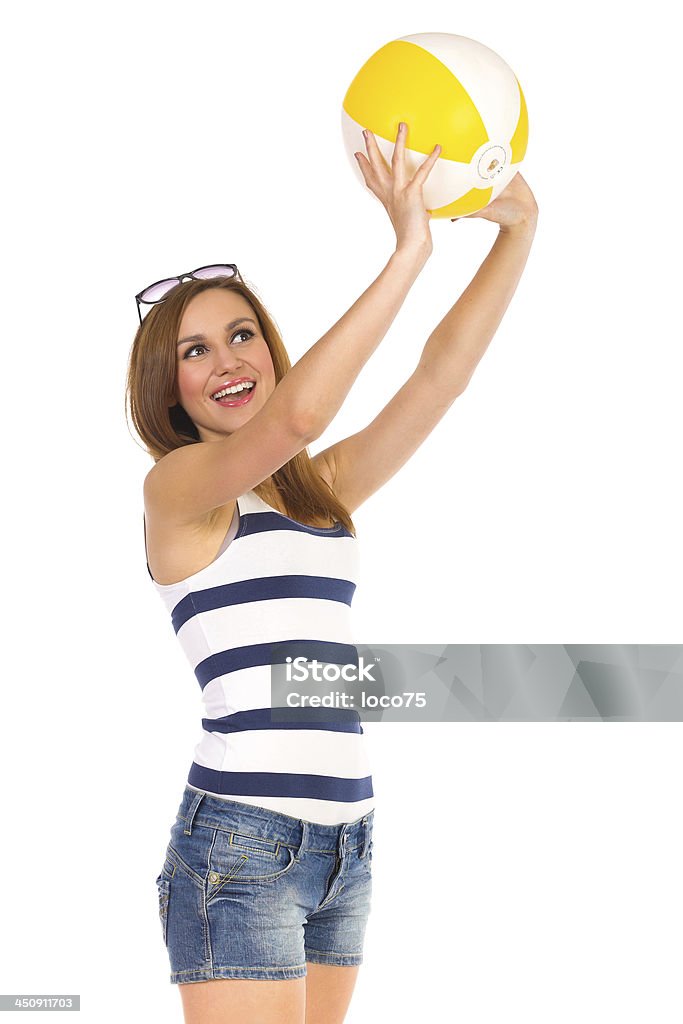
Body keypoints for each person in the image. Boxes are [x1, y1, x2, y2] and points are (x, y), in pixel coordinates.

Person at [125, 122, 538, 1024]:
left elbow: (441, 377)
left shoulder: (322, 493)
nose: (228, 359)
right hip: (240, 844)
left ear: (270, 348)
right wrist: (409, 248)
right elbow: (296, 417)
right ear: (170, 389)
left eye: (242, 334)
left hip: (347, 843)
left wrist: (518, 231)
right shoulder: (178, 494)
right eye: (196, 350)